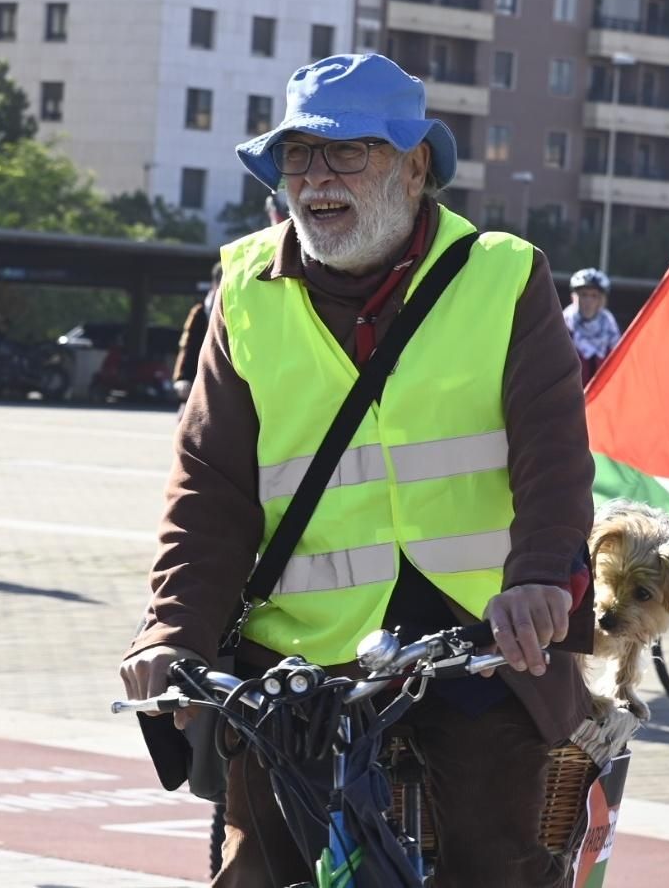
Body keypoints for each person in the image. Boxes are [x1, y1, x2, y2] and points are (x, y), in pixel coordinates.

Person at [116, 54, 592, 888]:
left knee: (495, 858)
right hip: (300, 649)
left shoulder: (505, 275)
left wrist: (541, 577)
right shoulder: (246, 290)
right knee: (260, 869)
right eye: (297, 156)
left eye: (346, 153)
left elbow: (552, 449)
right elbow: (208, 485)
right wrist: (172, 630)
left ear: (415, 166)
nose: (316, 179)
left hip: (477, 640)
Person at [172, 263, 221, 404]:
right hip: (200, 384)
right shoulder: (200, 312)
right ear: (215, 284)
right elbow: (187, 346)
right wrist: (182, 378)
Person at [564, 267, 620, 385]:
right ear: (575, 297)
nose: (588, 301)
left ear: (601, 300)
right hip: (570, 398)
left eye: (594, 296)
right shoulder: (563, 327)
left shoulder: (611, 330)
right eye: (584, 295)